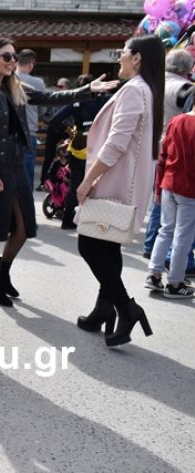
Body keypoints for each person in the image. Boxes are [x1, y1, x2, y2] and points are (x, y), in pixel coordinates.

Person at [0, 37, 117, 307]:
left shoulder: (15, 86)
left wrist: (86, 90)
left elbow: (51, 96)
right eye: (6, 57)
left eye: (14, 57)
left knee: (24, 227)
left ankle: (3, 272)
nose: (12, 62)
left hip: (17, 164)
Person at [75, 35, 165, 347]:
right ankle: (104, 310)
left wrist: (88, 181)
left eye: (122, 53)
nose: (119, 58)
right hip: (126, 183)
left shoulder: (134, 90)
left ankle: (126, 308)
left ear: (137, 58)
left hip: (113, 183)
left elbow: (116, 143)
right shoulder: (147, 89)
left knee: (89, 245)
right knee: (108, 248)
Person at [142, 49, 194, 268]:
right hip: (178, 148)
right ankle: (180, 262)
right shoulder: (184, 89)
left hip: (153, 144)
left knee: (160, 200)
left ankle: (150, 247)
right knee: (182, 219)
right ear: (187, 68)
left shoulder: (151, 84)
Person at [145, 108, 195, 298]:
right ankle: (175, 283)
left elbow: (163, 156)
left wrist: (158, 188)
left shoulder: (175, 121)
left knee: (165, 230)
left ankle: (154, 274)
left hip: (169, 183)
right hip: (190, 188)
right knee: (183, 237)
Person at [49, 74, 109, 229]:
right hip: (97, 145)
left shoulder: (75, 103)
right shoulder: (102, 101)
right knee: (95, 184)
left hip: (77, 146)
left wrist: (69, 131)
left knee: (76, 183)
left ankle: (68, 220)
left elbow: (55, 120)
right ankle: (89, 220)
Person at [15, 49, 45, 191]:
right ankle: (25, 206)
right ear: (31, 64)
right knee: (27, 171)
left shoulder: (7, 78)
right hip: (29, 131)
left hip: (7, 132)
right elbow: (42, 109)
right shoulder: (37, 82)